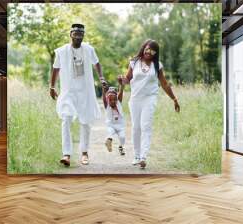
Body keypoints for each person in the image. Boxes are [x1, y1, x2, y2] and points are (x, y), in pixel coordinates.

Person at [50, 23, 107, 167]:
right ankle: (66, 154)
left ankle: (84, 153)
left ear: (83, 36)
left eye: (81, 34)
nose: (78, 36)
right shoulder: (62, 51)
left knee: (85, 122)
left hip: (85, 90)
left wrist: (101, 78)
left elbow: (97, 64)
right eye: (75, 33)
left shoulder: (89, 49)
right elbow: (55, 69)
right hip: (68, 91)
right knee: (66, 118)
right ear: (70, 34)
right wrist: (52, 86)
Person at [119, 39, 180, 169]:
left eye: (153, 50)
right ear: (143, 48)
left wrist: (174, 99)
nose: (149, 52)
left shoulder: (157, 65)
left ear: (155, 53)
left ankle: (143, 157)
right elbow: (127, 79)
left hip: (149, 99)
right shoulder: (134, 62)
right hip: (135, 99)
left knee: (145, 126)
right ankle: (136, 156)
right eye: (147, 49)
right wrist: (122, 80)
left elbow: (164, 84)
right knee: (136, 127)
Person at [102, 80, 126, 156]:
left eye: (114, 99)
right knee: (110, 133)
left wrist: (121, 86)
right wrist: (103, 88)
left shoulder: (118, 103)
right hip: (111, 125)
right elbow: (104, 98)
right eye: (110, 99)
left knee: (122, 137)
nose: (113, 101)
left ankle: (121, 147)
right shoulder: (107, 105)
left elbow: (120, 92)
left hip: (120, 126)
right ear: (108, 99)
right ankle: (108, 142)